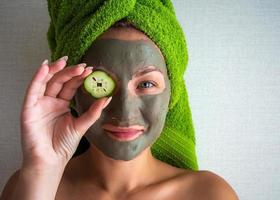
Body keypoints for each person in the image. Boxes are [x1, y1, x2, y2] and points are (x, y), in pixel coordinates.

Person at [1, 1, 239, 200]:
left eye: (146, 84)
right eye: (101, 84)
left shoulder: (209, 194)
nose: (124, 112)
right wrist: (42, 171)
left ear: (172, 94)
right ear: (72, 90)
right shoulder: (25, 186)